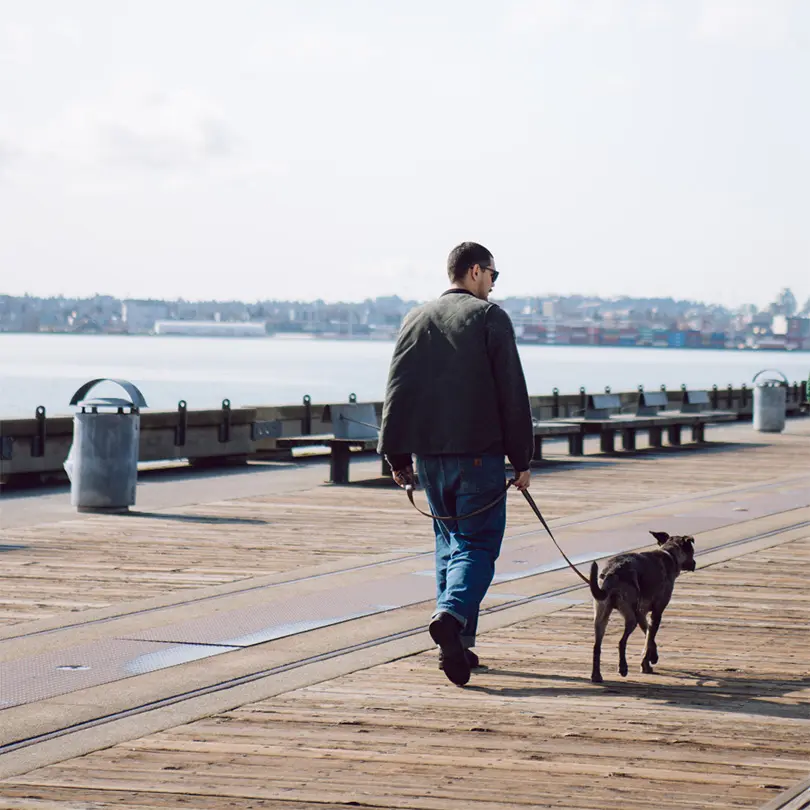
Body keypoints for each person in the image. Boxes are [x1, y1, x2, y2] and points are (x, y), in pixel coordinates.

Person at [378, 241, 534, 686]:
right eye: (492, 275)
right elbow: (511, 391)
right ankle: (450, 615)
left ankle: (459, 646)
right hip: (479, 454)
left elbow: (398, 386)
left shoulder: (415, 317)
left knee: (449, 542)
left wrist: (396, 453)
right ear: (475, 271)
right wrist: (521, 458)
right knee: (478, 546)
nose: (492, 284)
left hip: (429, 457)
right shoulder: (489, 317)